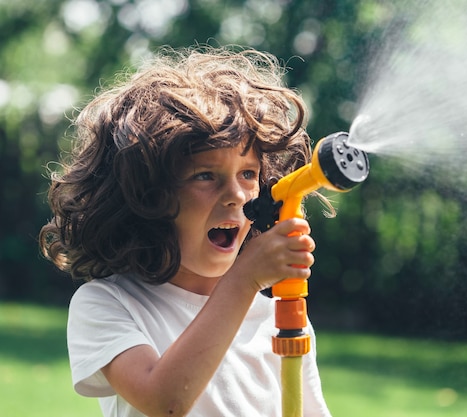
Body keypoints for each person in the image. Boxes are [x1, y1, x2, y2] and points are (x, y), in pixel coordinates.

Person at [39, 45, 333, 417]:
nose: (237, 196)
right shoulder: (109, 304)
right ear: (150, 197)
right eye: (206, 175)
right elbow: (165, 403)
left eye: (248, 174)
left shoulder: (280, 318)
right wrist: (244, 280)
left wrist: (248, 284)